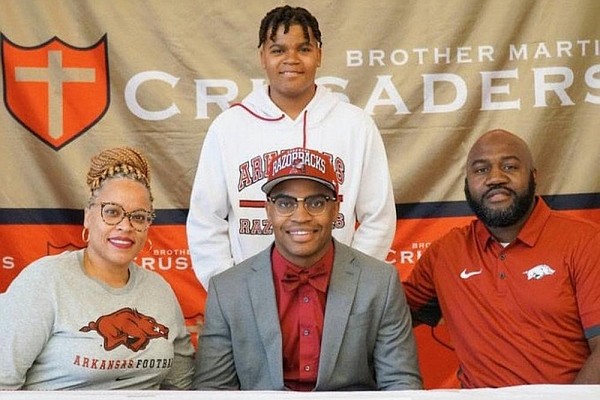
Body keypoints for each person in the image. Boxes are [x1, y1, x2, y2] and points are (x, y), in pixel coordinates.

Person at [186, 5, 396, 289]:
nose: (291, 59)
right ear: (262, 57)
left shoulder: (355, 125)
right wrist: (229, 289)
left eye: (304, 49)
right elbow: (205, 220)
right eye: (278, 50)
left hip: (336, 289)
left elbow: (378, 217)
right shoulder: (229, 127)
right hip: (252, 291)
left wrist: (351, 283)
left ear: (319, 55)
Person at [193, 147, 421, 391]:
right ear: (268, 211)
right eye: (285, 203)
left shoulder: (380, 282)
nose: (300, 216)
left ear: (335, 210)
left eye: (316, 202)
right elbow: (213, 389)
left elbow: (400, 384)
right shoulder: (228, 289)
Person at [404, 129, 600, 388]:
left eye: (509, 166)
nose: (495, 178)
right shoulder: (446, 253)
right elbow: (384, 318)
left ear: (533, 176)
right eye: (481, 170)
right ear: (466, 184)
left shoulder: (585, 241)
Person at [0, 147, 195, 390]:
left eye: (138, 216)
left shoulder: (159, 289)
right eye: (112, 212)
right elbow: (3, 384)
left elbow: (182, 384)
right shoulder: (44, 281)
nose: (125, 226)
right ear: (88, 217)